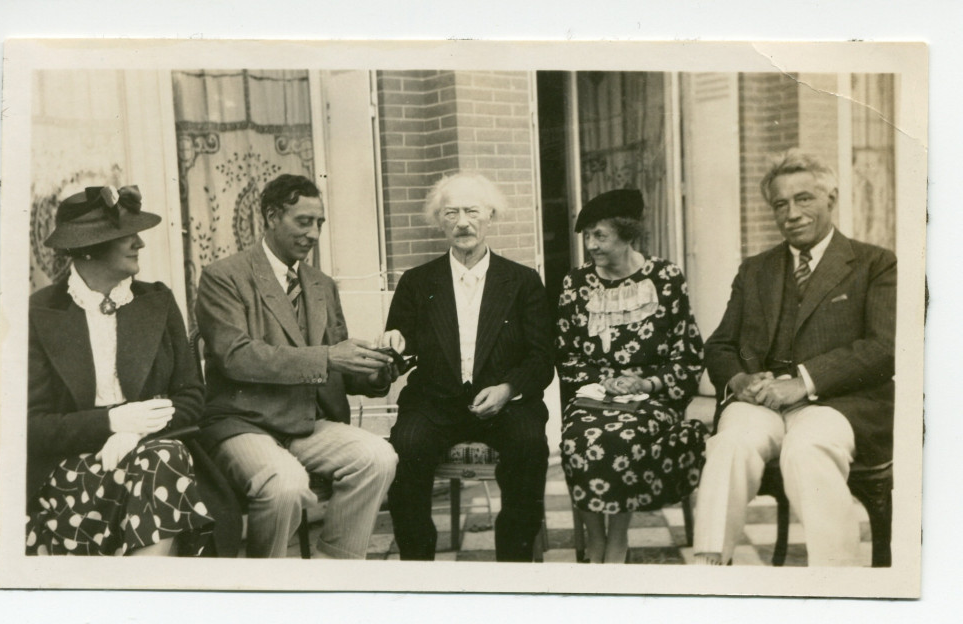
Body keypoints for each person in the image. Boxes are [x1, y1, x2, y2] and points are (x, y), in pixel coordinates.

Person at [692, 149, 896, 567]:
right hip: (761, 402)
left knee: (807, 448)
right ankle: (709, 570)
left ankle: (838, 579)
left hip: (837, 404)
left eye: (804, 199)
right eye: (780, 204)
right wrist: (740, 382)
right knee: (728, 445)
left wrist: (802, 382)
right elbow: (719, 346)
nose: (792, 213)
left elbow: (885, 347)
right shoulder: (755, 270)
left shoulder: (875, 263)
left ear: (831, 199)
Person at [196, 174, 399, 559]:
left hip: (306, 423)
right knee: (285, 485)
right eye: (303, 221)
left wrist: (375, 369)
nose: (314, 233)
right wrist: (327, 357)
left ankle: (333, 574)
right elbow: (236, 356)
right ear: (272, 217)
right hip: (243, 423)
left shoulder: (322, 285)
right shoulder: (224, 277)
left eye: (319, 223)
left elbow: (338, 368)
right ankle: (267, 587)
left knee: (378, 458)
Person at [26, 185, 215, 556]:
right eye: (126, 235)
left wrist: (138, 431)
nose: (139, 244)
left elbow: (193, 397)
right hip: (72, 467)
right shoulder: (40, 312)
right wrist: (113, 422)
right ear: (88, 247)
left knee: (161, 458)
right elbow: (33, 426)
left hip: (158, 454)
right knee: (161, 468)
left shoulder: (157, 300)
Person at [379, 172, 554, 562]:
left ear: (491, 215)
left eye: (472, 211)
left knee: (528, 444)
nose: (462, 222)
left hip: (506, 402)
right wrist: (394, 345)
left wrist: (508, 389)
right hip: (434, 402)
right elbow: (400, 349)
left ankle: (515, 563)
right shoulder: (416, 281)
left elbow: (542, 359)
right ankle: (418, 565)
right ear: (439, 220)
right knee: (405, 448)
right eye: (451, 213)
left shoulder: (522, 281)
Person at [555, 189, 707, 564]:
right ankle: (595, 538)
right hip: (593, 393)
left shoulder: (666, 277)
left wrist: (648, 384)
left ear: (626, 234)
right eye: (587, 236)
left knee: (621, 438)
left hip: (652, 397)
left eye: (600, 236)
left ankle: (618, 538)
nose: (591, 245)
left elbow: (687, 351)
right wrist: (601, 383)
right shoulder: (576, 284)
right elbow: (566, 350)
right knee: (577, 438)